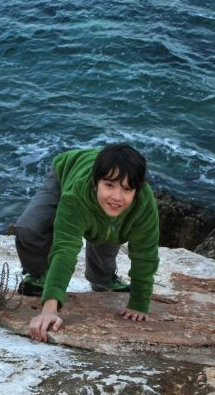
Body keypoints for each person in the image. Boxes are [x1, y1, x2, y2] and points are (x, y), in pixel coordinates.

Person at [14, 143, 160, 342]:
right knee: (29, 228)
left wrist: (139, 303)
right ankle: (39, 275)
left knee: (108, 232)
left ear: (138, 189)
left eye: (127, 189)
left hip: (98, 194)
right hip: (66, 171)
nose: (117, 197)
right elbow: (65, 247)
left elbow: (145, 253)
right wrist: (49, 308)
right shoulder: (76, 196)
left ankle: (103, 280)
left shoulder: (144, 203)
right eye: (109, 185)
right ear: (95, 182)